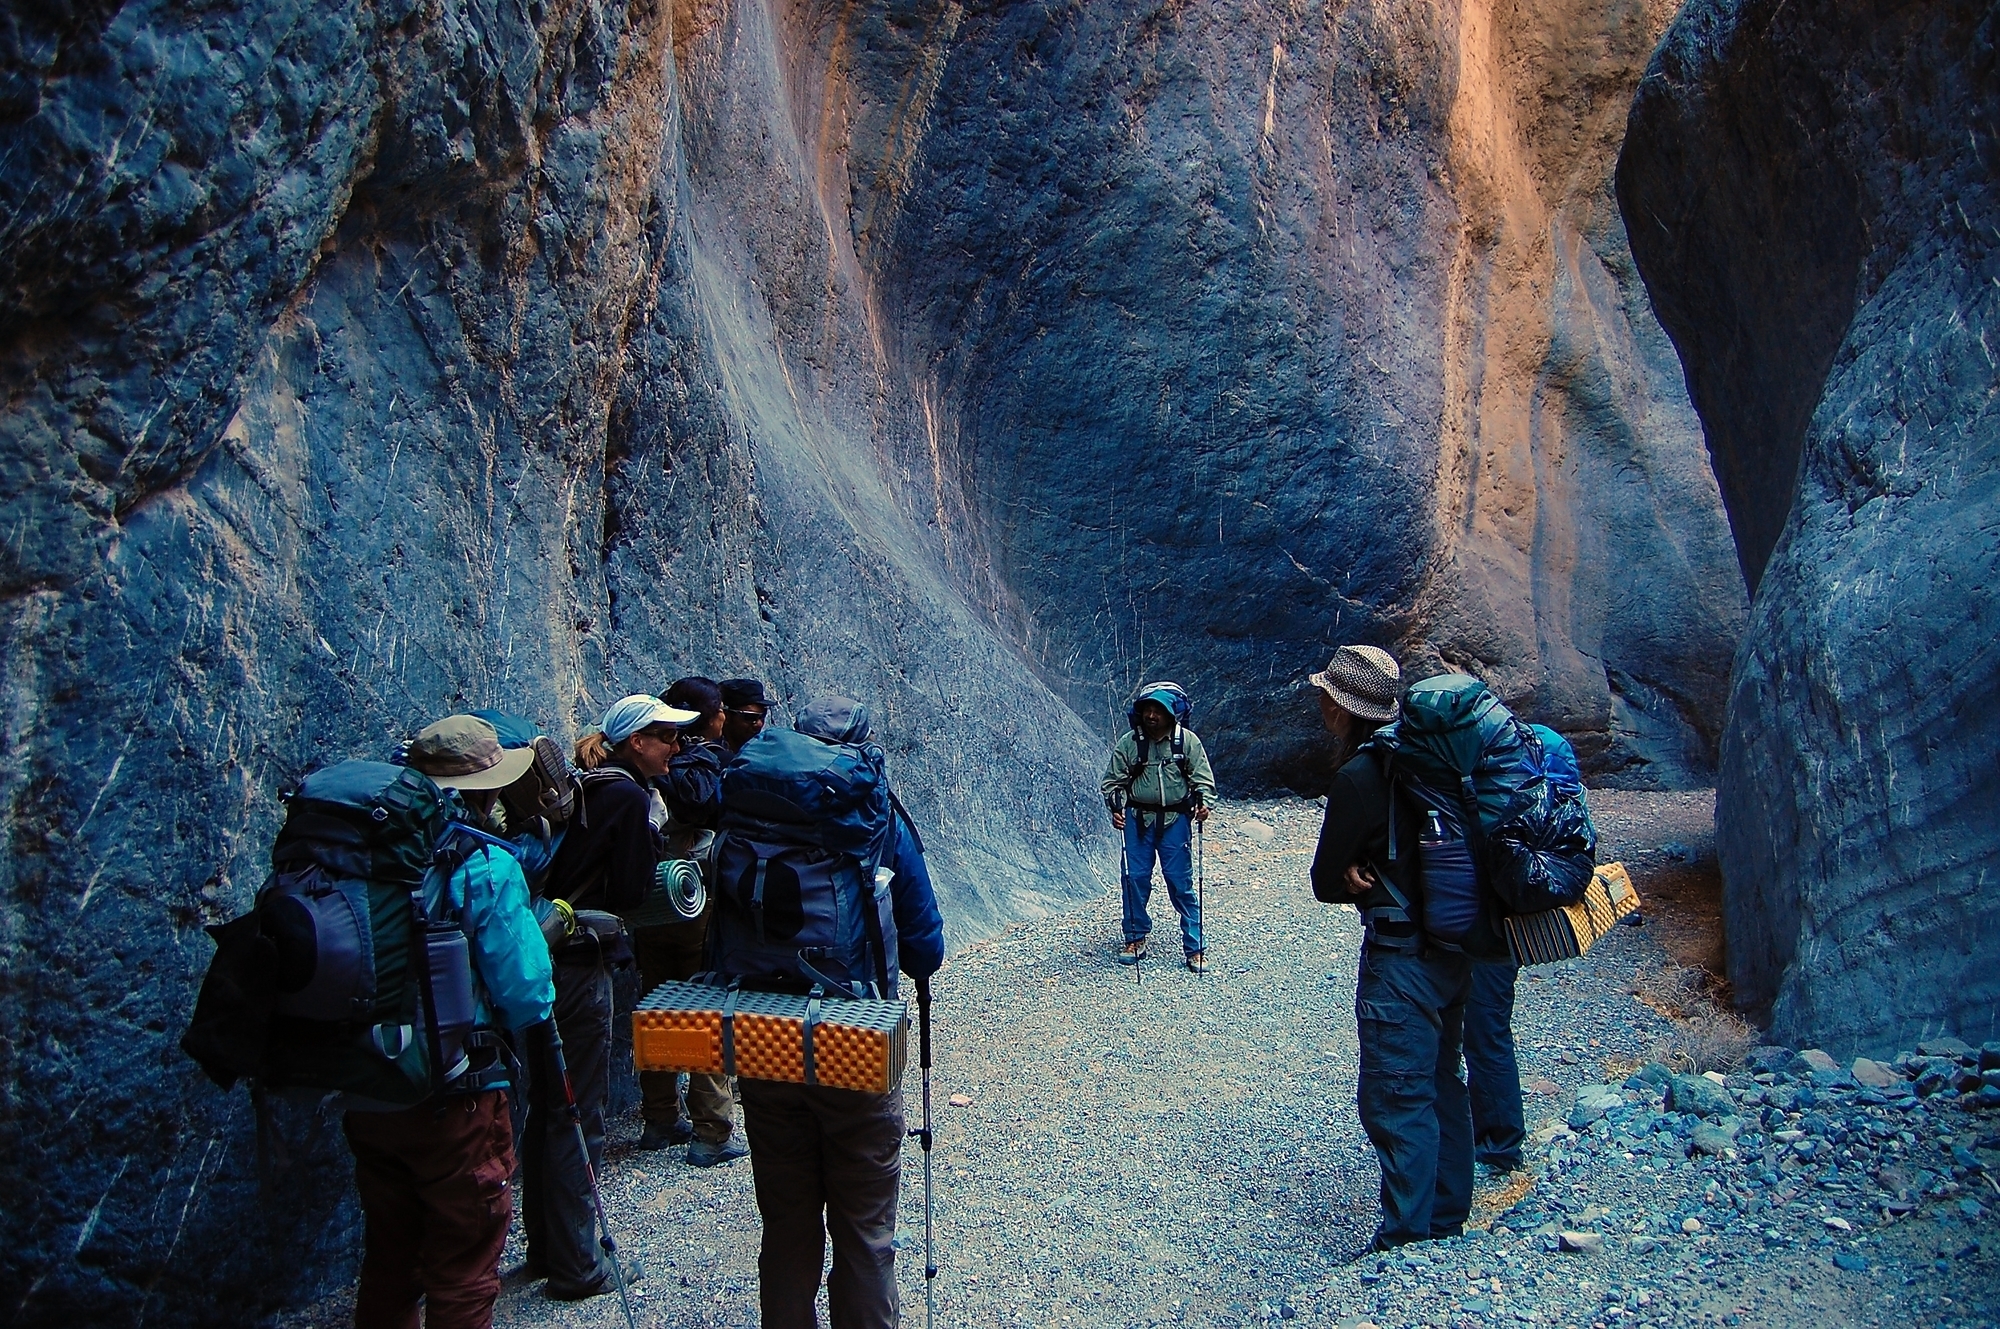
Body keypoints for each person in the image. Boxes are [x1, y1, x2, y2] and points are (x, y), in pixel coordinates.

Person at [720, 696, 945, 1329]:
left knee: (788, 1224)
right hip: (854, 1040)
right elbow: (926, 948)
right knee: (866, 1231)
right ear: (863, 747)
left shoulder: (751, 813)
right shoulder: (874, 817)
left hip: (765, 1034)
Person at [343, 715, 556, 1329]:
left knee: (389, 1252)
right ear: (483, 790)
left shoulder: (361, 850)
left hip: (366, 1081)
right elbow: (527, 995)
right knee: (463, 1261)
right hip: (456, 1088)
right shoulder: (481, 863)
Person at [520, 693, 696, 1299]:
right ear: (634, 743)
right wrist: (652, 831)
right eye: (665, 737)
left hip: (543, 957)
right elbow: (629, 889)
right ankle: (579, 1264)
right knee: (579, 1111)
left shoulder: (591, 785)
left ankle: (547, 1247)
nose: (676, 746)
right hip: (579, 962)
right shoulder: (624, 796)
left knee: (548, 1106)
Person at [1306, 645, 1475, 1251]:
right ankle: (1448, 1214)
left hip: (1399, 960)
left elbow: (1325, 881)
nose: (1321, 703)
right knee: (1440, 1079)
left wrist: (1350, 870)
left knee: (1396, 1096)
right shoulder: (1432, 758)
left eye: (1327, 696)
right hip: (1456, 948)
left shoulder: (1360, 777)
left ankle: (1408, 1241)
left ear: (1341, 710)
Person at [1464, 722, 1590, 1173]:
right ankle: (1492, 1135)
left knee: (1482, 1030)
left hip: (1485, 918)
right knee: (1487, 1028)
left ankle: (1499, 1145)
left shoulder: (1484, 766)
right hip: (1512, 907)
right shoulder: (1541, 753)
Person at [630, 676, 745, 1164]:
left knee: (658, 1004)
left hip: (649, 901)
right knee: (705, 1007)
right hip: (694, 899)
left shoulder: (645, 759)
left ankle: (659, 1117)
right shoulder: (702, 760)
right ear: (711, 716)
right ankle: (711, 1130)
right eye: (720, 709)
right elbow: (709, 809)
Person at [1101, 683, 1216, 972]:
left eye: (1158, 710)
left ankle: (1195, 946)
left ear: (1171, 714)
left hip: (1175, 820)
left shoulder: (1186, 742)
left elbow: (1202, 779)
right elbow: (1112, 783)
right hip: (1137, 820)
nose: (1151, 715)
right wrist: (1116, 806)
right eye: (1147, 710)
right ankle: (1135, 937)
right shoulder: (1130, 743)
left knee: (1181, 882)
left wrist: (1204, 802)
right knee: (1134, 878)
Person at [718, 677, 774, 753]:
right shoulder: (710, 756)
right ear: (727, 716)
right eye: (750, 717)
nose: (759, 724)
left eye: (762, 716)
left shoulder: (762, 752)